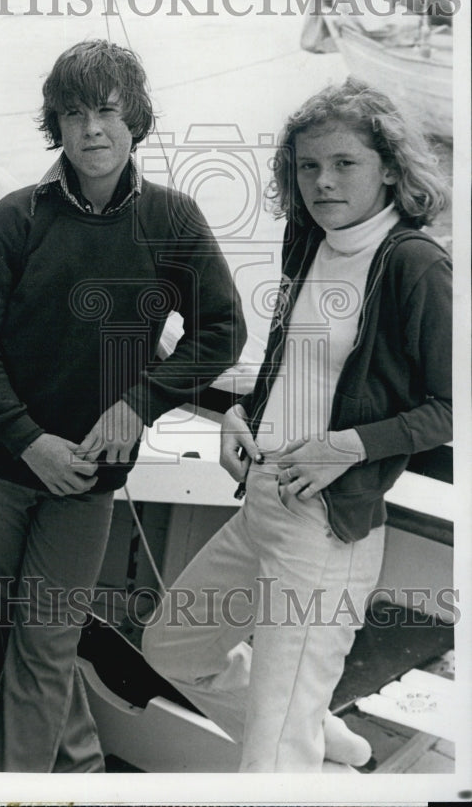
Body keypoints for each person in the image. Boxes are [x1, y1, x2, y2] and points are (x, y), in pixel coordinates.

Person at [0, 39, 246, 772]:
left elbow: (221, 331)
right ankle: (75, 762)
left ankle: (8, 785)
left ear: (133, 117)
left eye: (106, 111)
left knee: (44, 635)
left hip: (90, 479)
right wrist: (27, 442)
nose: (90, 129)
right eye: (73, 113)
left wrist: (140, 403)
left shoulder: (171, 221)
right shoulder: (17, 220)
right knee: (20, 631)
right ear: (56, 125)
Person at [142, 78, 452, 772]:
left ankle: (293, 745)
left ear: (389, 169)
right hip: (260, 502)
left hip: (324, 529)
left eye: (344, 163)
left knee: (270, 761)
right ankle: (306, 729)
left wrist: (348, 446)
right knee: (174, 648)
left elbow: (450, 405)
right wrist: (239, 413)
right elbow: (292, 366)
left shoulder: (413, 265)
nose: (322, 181)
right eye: (307, 166)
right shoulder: (307, 239)